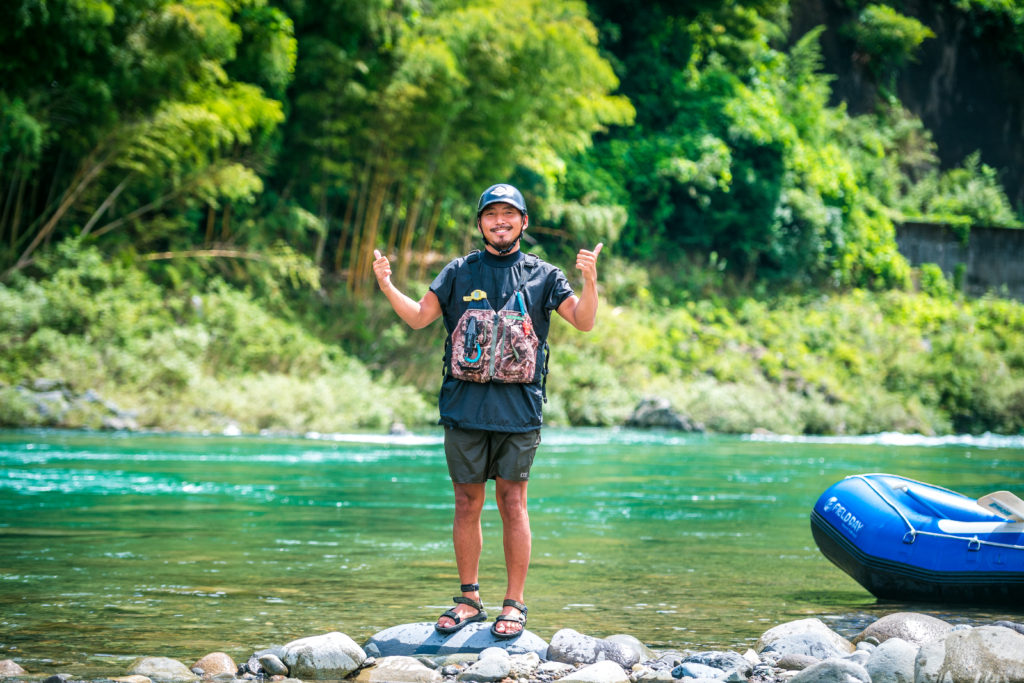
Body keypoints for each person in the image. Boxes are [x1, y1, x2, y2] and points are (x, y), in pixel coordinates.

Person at [371, 183, 602, 639]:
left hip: (518, 411)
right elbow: (419, 316)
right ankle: (469, 599)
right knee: (466, 502)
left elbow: (584, 320)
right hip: (464, 407)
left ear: (523, 222)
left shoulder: (545, 276)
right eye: (491, 214)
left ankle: (514, 604)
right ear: (480, 223)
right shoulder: (459, 272)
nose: (500, 221)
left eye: (509, 214)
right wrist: (386, 284)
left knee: (513, 503)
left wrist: (590, 281)